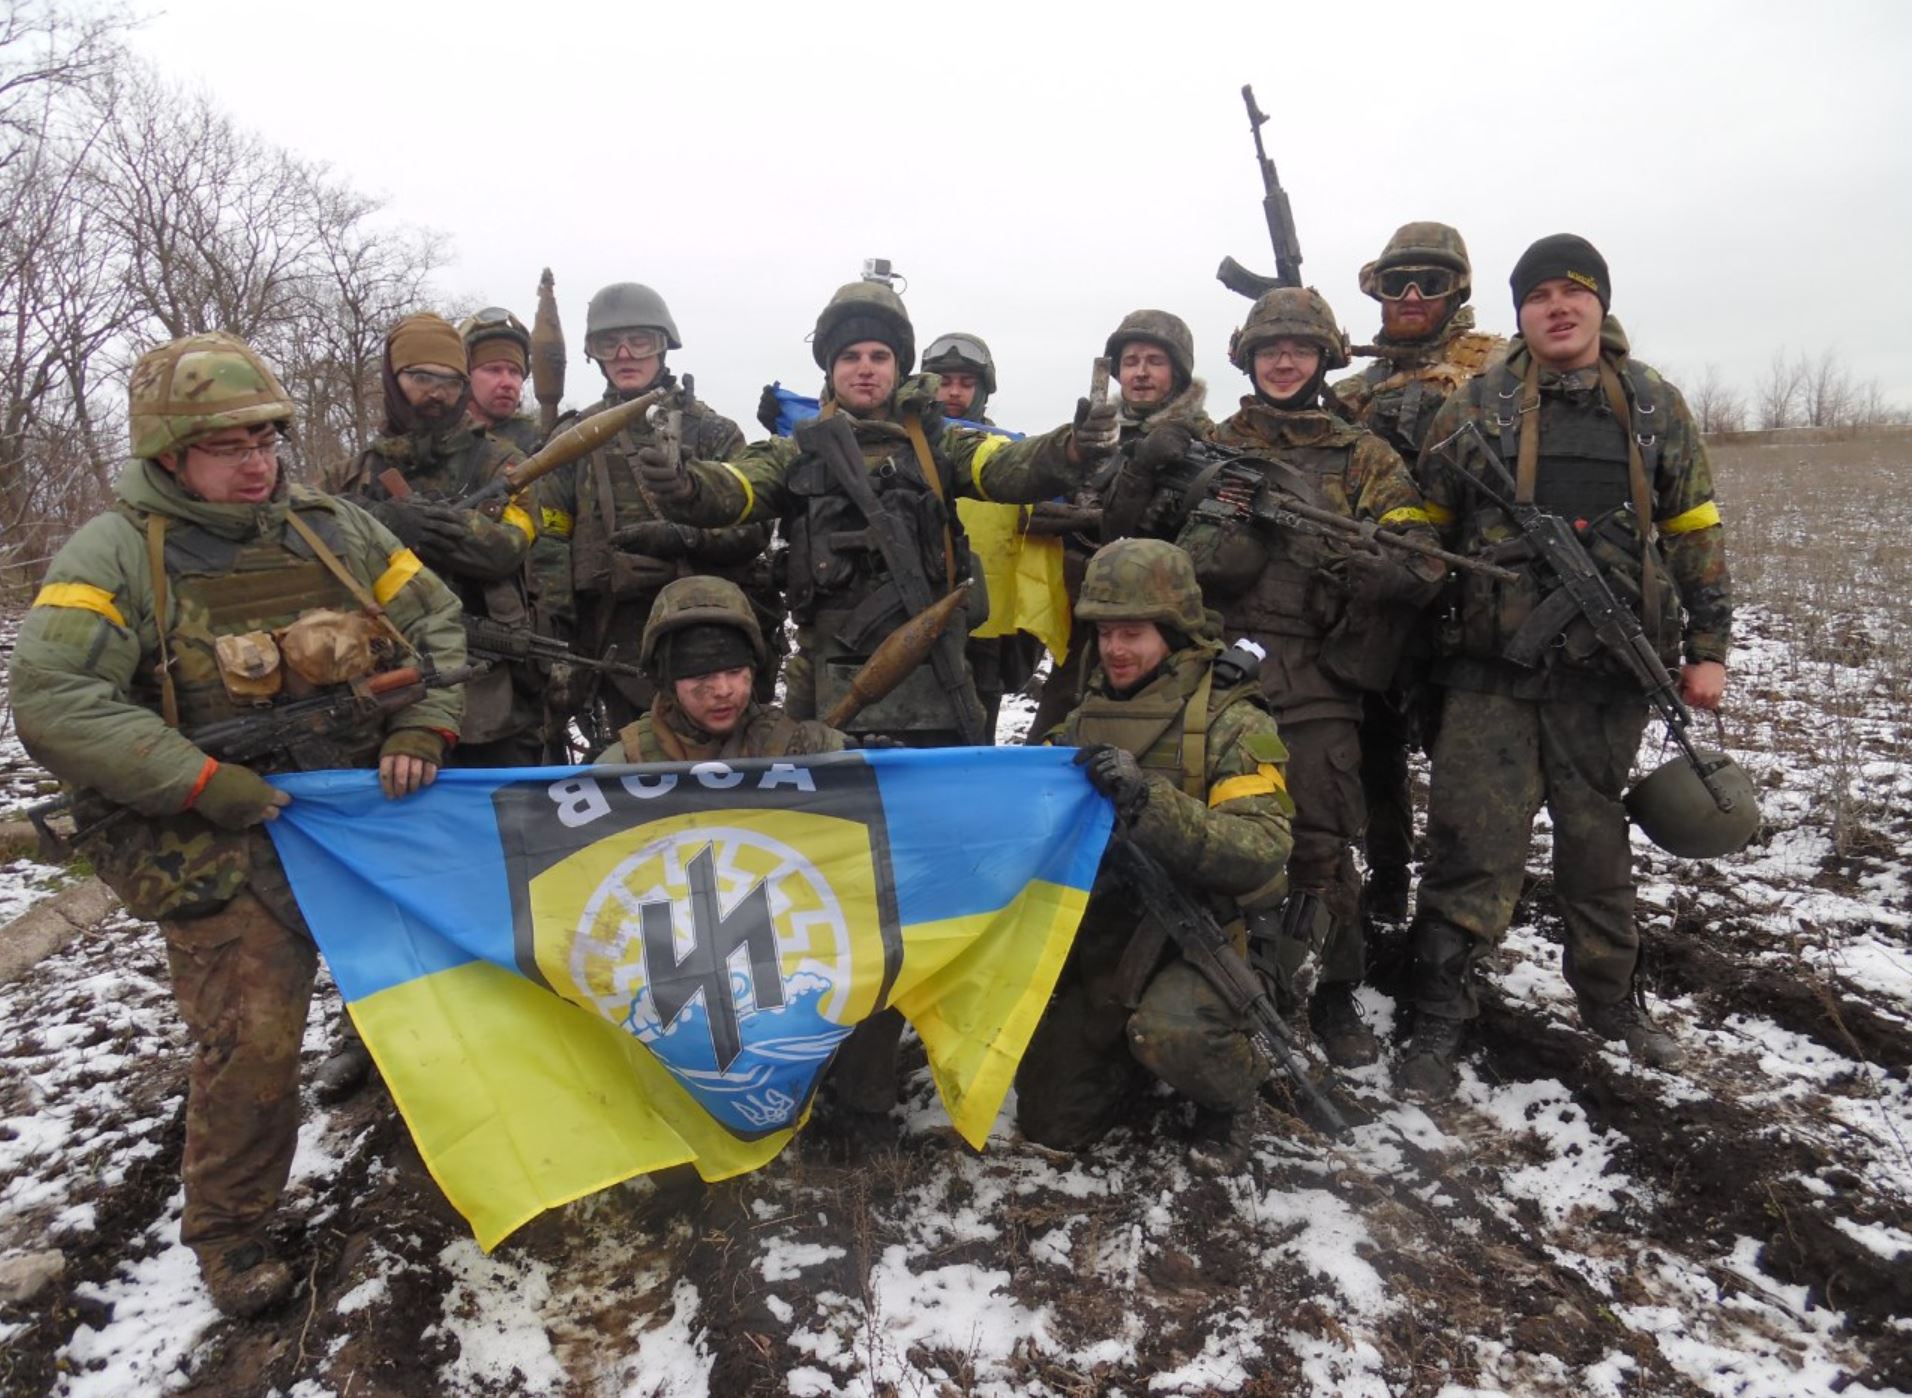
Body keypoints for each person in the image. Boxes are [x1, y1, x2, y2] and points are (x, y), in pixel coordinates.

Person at [9, 333, 465, 1317]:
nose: (257, 461)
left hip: (352, 814)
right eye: (230, 445)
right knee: (251, 1041)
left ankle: (451, 1151)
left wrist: (425, 718)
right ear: (171, 454)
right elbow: (51, 696)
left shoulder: (329, 530)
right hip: (213, 831)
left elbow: (437, 622)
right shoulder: (120, 553)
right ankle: (231, 1232)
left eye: (266, 438)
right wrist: (198, 777)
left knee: (431, 985)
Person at [638, 276, 1118, 1121]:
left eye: (880, 355)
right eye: (851, 356)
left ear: (899, 366)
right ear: (829, 367)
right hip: (834, 709)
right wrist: (679, 483)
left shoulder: (936, 442)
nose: (866, 369)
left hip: (940, 702)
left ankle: (931, 1043)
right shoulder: (799, 448)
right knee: (844, 895)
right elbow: (734, 490)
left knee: (930, 885)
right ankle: (845, 1080)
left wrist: (1076, 446)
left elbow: (1010, 467)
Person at [1396, 234, 1731, 1099]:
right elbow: (1424, 520)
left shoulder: (1653, 406)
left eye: (1574, 293)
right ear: (1518, 312)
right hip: (1488, 676)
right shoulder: (1474, 404)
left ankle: (1613, 1001)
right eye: (1539, 294)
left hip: (1607, 678)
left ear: (1600, 306)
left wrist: (1707, 649)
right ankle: (1437, 1012)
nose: (1558, 307)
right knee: (1472, 846)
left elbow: (1694, 530)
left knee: (1597, 848)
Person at [1170, 288, 1446, 1068]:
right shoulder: (1213, 446)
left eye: (1298, 349)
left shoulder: (1363, 454)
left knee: (1323, 844)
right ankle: (1213, 984)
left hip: (1320, 674)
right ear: (1247, 360)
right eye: (1269, 350)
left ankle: (1332, 995)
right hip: (1216, 672)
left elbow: (1422, 555)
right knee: (1205, 833)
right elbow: (1161, 554)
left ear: (1324, 357)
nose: (1284, 361)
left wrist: (1379, 563)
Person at [1020, 538, 1292, 1173]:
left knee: (1175, 1036)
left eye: (1133, 632)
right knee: (1050, 1123)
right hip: (1108, 938)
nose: (1115, 649)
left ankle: (1231, 1095)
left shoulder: (1229, 719)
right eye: (1105, 632)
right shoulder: (1086, 714)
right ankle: (1127, 1054)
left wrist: (1149, 803)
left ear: (1172, 630)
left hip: (1201, 932)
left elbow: (1261, 849)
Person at [1332, 223, 1507, 929]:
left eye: (1430, 282)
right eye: (1397, 281)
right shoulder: (1350, 390)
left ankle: (1455, 925)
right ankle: (1384, 890)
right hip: (1377, 598)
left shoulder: (1498, 368)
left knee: (1467, 773)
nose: (1412, 295)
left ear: (1456, 291)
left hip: (1467, 602)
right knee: (1373, 753)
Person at [530, 281, 776, 738]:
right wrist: (559, 648)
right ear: (594, 354)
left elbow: (756, 527)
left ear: (663, 347)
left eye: (639, 341)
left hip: (715, 640)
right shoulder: (574, 441)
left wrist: (684, 539)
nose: (624, 354)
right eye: (610, 343)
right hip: (615, 643)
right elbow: (550, 545)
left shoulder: (713, 433)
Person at [324, 311, 542, 766]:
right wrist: (384, 523)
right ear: (391, 378)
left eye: (449, 380)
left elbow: (510, 545)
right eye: (420, 377)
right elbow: (320, 551)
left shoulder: (501, 462)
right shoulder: (352, 473)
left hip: (483, 689)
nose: (436, 393)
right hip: (375, 686)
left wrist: (445, 529)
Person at [1026, 310, 1214, 739]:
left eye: (1155, 361)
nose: (1141, 373)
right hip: (1079, 625)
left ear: (1179, 373)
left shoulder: (1205, 443)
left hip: (1162, 631)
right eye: (1130, 362)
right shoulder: (1089, 439)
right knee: (1053, 738)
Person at [923, 329, 1040, 738]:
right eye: (944, 381)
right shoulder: (904, 444)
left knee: (977, 740)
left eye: (965, 383)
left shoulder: (1006, 458)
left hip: (986, 631)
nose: (953, 392)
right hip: (916, 622)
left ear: (983, 391)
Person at [595, 576, 848, 763]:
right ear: (667, 681)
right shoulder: (623, 768)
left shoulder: (804, 748)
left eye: (736, 671)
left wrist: (869, 765)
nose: (723, 690)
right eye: (702, 676)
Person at [460, 306, 544, 456]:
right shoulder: (435, 443)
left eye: (514, 372)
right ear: (466, 376)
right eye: (493, 370)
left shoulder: (541, 443)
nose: (507, 383)